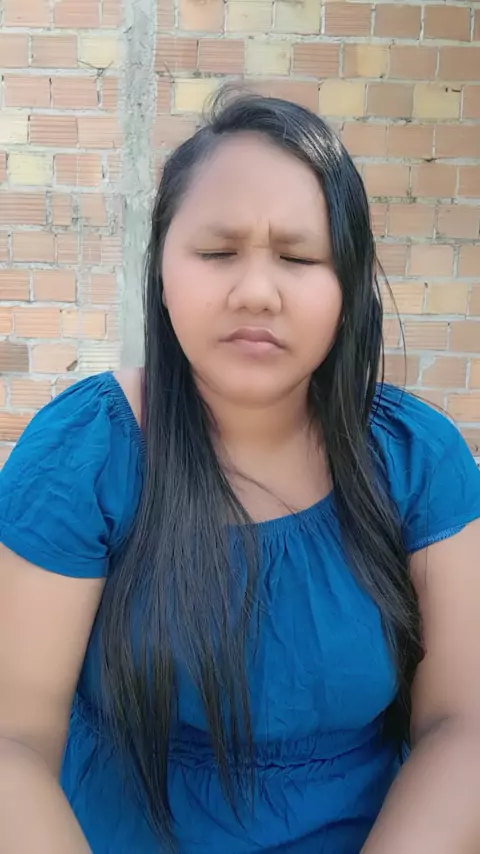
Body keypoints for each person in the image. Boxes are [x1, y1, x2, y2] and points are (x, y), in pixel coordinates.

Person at [1, 91, 480, 854]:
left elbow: (462, 723)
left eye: (299, 258)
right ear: (162, 269)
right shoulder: (84, 454)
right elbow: (15, 739)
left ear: (349, 286)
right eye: (218, 252)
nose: (256, 291)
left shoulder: (417, 461)